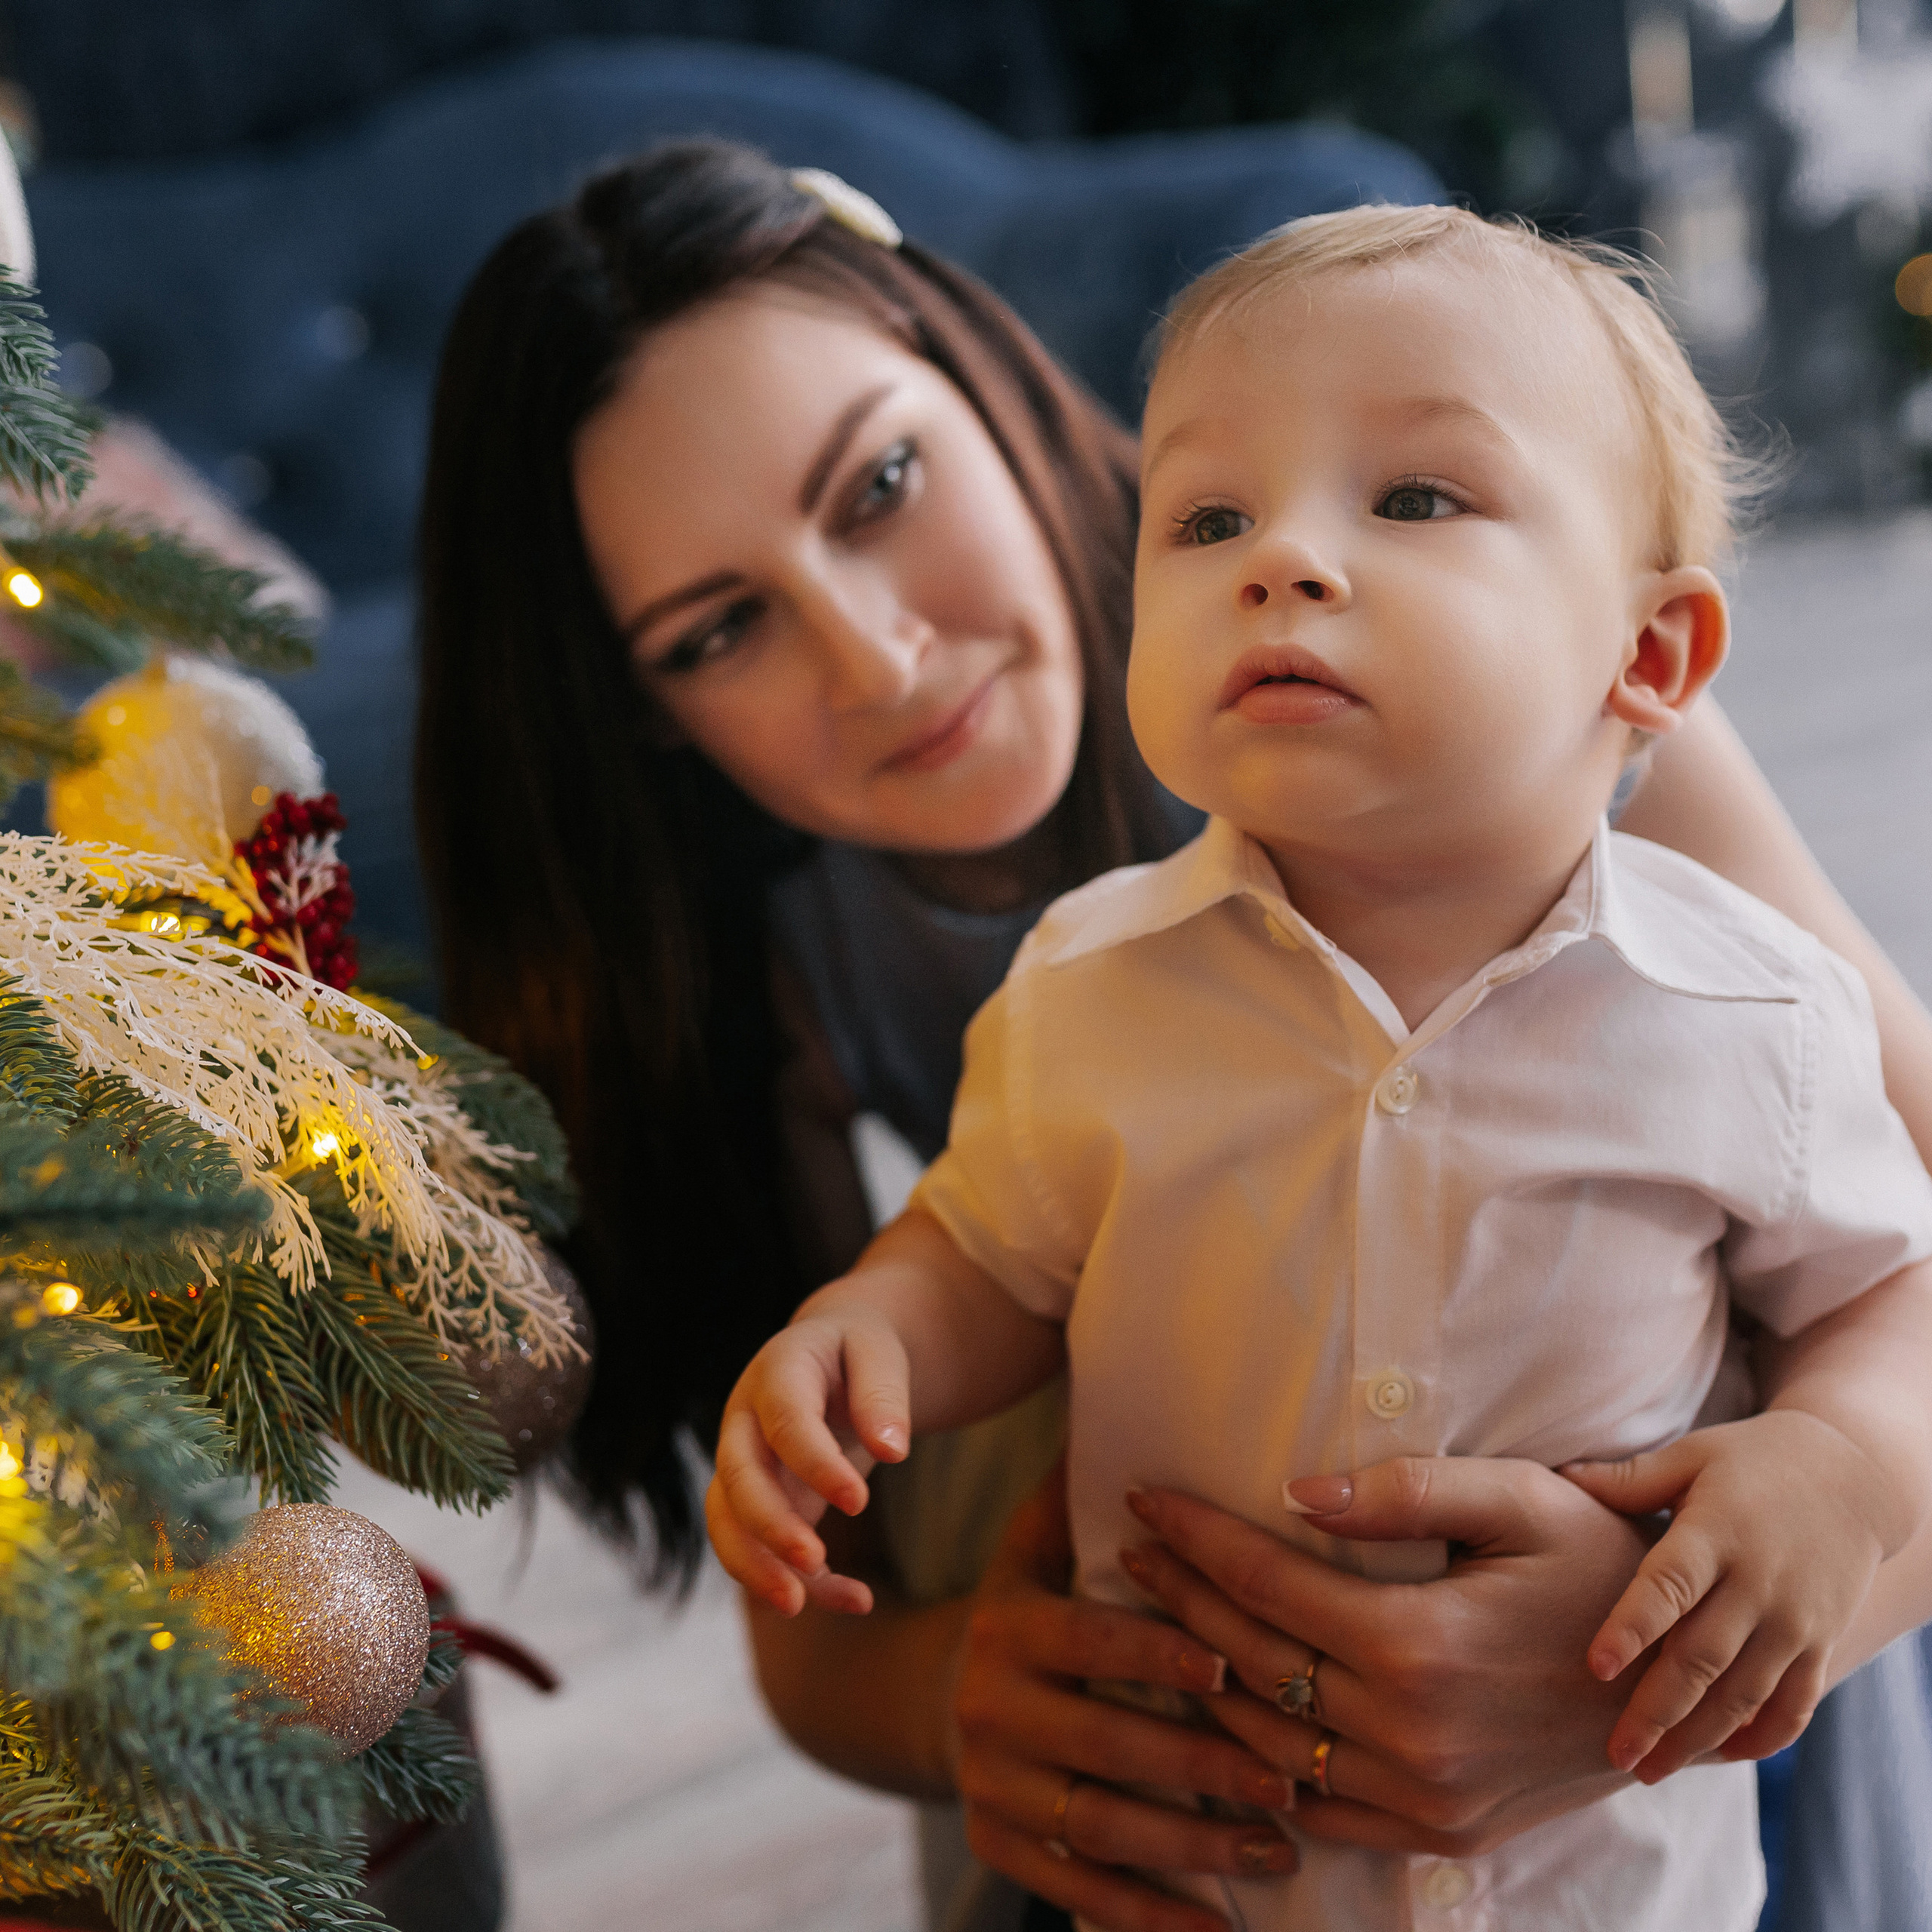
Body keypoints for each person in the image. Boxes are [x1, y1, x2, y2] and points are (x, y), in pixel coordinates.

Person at [412, 141, 1932, 1932]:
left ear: (980, 380)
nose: (879, 655)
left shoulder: (1534, 701)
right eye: (720, 627)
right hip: (1209, 1738)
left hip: (1704, 1672)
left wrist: (1732, 1597)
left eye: (881, 480)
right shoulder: (845, 973)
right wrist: (981, 1703)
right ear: (641, 717)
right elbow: (827, 1604)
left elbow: (1893, 1265)